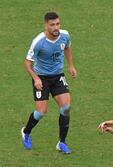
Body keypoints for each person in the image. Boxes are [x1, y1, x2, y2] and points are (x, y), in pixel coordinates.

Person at [21, 12, 77, 154]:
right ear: (46, 25)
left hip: (58, 76)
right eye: (52, 25)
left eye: (57, 24)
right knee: (41, 111)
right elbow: (28, 63)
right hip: (42, 78)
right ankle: (26, 132)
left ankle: (62, 142)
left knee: (66, 107)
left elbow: (67, 47)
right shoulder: (39, 42)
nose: (56, 27)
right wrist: (36, 78)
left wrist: (71, 65)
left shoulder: (65, 35)